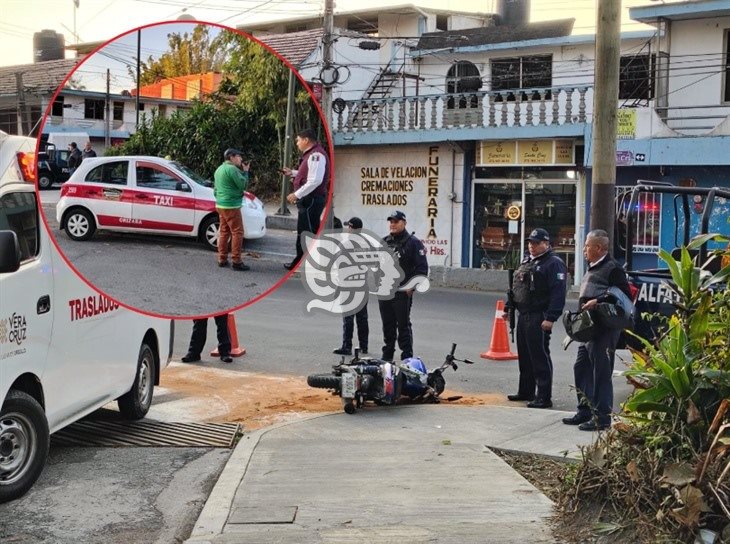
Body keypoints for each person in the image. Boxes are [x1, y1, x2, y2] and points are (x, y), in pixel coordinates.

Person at [562, 229, 631, 431]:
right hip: (587, 328)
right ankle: (584, 410)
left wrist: (598, 301)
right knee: (581, 367)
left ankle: (602, 418)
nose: (583, 249)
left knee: (601, 372)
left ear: (599, 248)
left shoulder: (613, 269)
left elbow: (624, 296)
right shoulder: (592, 267)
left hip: (604, 329)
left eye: (587, 245)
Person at [505, 228, 567, 409]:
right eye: (530, 242)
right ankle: (526, 391)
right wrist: (510, 307)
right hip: (524, 313)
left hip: (539, 315)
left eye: (536, 243)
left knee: (539, 356)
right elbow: (517, 287)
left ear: (546, 244)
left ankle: (543, 397)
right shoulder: (527, 261)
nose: (532, 246)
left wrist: (551, 317)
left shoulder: (553, 263)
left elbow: (558, 293)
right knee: (525, 356)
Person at [378, 210, 428, 361]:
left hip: (402, 292)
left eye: (396, 221)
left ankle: (407, 358)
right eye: (391, 222)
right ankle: (387, 357)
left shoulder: (413, 243)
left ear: (404, 223)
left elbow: (422, 269)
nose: (392, 224)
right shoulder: (384, 241)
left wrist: (411, 287)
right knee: (388, 325)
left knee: (403, 326)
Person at [282, 129, 329, 271]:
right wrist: (294, 173)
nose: (297, 143)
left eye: (298, 140)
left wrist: (296, 194)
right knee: (306, 231)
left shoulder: (316, 155)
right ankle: (301, 262)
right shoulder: (312, 154)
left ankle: (309, 264)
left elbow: (314, 181)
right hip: (310, 200)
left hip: (311, 200)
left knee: (306, 232)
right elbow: (310, 174)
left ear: (306, 140)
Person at [333, 217, 369, 355]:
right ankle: (364, 346)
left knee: (348, 317)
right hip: (362, 284)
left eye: (349, 226)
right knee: (362, 318)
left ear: (352, 228)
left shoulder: (346, 243)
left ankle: (347, 346)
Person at [214, 148, 251, 271]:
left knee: (224, 232)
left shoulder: (219, 169)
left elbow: (215, 190)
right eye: (239, 156)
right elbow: (243, 185)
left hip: (220, 204)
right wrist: (245, 172)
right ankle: (236, 261)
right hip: (231, 206)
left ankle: (222, 259)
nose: (241, 159)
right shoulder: (232, 169)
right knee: (237, 232)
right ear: (231, 157)